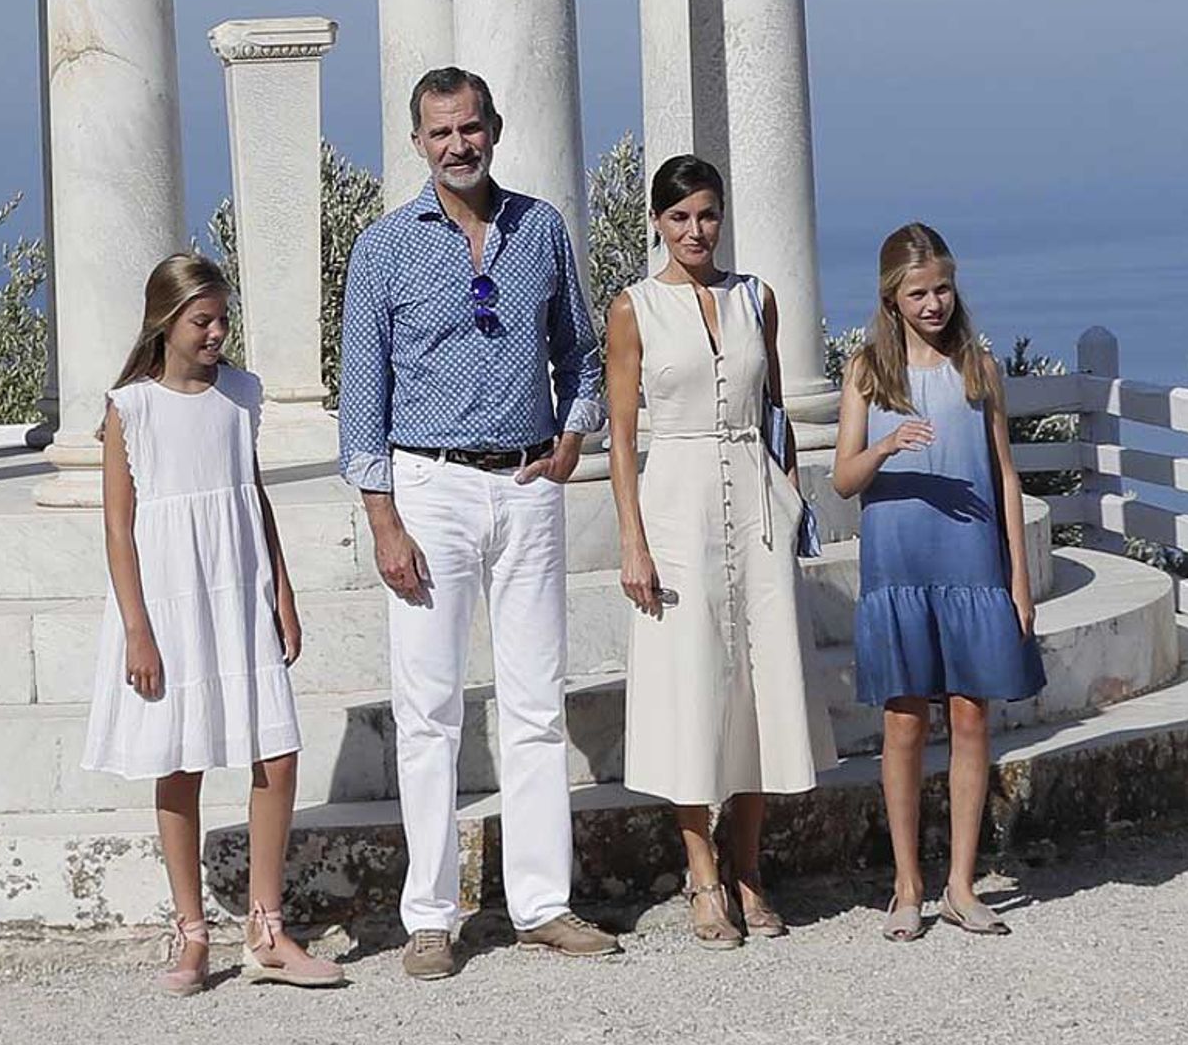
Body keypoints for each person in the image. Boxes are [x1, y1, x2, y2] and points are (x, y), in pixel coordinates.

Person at [338, 67, 620, 980]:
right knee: (429, 711)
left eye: (471, 127)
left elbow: (580, 352)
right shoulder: (382, 249)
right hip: (429, 490)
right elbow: (361, 404)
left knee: (537, 702)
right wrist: (384, 519)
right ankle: (430, 917)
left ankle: (543, 904)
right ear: (417, 142)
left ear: (494, 128)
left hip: (528, 483)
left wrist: (575, 437)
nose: (458, 144)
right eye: (440, 132)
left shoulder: (541, 228)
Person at [81, 253, 344, 996]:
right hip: (167, 596)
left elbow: (251, 494)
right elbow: (118, 527)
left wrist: (284, 590)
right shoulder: (130, 407)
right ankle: (191, 933)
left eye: (224, 318)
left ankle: (267, 927)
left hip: (239, 583)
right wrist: (137, 628)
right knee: (180, 758)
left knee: (278, 753)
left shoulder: (242, 395)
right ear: (166, 322)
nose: (218, 333)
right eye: (203, 320)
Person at [605, 154, 836, 950]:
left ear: (721, 215)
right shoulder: (633, 308)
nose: (695, 230)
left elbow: (775, 410)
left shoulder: (756, 298)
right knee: (692, 689)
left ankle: (749, 872)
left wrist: (796, 502)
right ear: (658, 224)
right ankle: (702, 877)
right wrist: (632, 540)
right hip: (675, 503)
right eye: (679, 218)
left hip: (756, 494)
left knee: (760, 688)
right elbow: (624, 435)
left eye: (706, 214)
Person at [830, 222, 1047, 942]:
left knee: (970, 719)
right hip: (899, 569)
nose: (934, 305)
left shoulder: (978, 370)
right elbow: (842, 479)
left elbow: (1007, 477)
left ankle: (960, 883)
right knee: (901, 725)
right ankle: (906, 885)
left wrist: (1019, 579)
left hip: (972, 563)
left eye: (943, 289)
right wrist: (888, 444)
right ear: (891, 298)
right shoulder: (867, 372)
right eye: (918, 293)